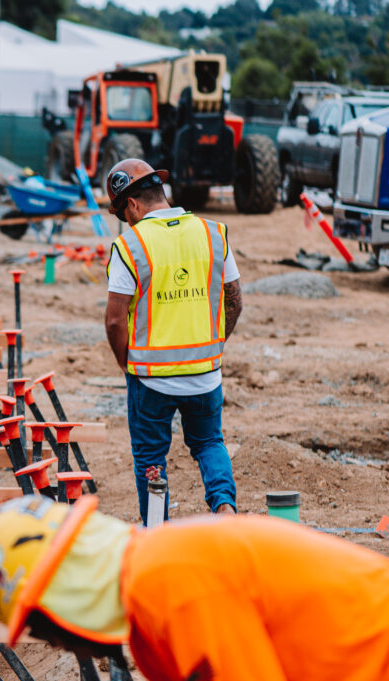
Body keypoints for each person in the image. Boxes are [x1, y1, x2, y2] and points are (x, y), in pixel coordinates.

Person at [0, 495, 389, 681]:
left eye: (40, 626)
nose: (55, 644)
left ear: (64, 590)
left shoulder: (166, 582)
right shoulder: (148, 618)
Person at [103, 159, 242, 522]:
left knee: (151, 458)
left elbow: (115, 319)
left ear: (133, 205)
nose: (127, 222)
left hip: (151, 380)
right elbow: (234, 300)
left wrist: (125, 363)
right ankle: (225, 508)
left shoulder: (130, 245)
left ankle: (157, 533)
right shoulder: (213, 233)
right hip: (205, 375)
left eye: (124, 215)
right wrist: (214, 344)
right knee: (209, 443)